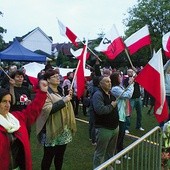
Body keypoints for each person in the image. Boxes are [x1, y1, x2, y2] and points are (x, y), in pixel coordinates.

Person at [0, 79, 48, 170]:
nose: (8, 105)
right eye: (4, 101)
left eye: (9, 102)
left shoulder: (16, 117)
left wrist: (42, 93)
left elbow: (32, 112)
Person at [36, 69, 77, 170]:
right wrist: (64, 101)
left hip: (63, 128)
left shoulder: (60, 89)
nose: (58, 77)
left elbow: (66, 106)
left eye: (58, 75)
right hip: (51, 130)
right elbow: (47, 110)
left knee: (60, 156)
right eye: (54, 76)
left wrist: (68, 97)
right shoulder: (44, 93)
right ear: (48, 80)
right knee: (48, 156)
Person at [92, 75, 119, 169]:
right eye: (107, 81)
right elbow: (100, 110)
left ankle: (109, 166)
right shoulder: (98, 95)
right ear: (100, 84)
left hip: (114, 127)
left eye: (110, 81)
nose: (110, 83)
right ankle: (98, 167)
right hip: (104, 128)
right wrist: (111, 106)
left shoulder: (111, 94)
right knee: (100, 152)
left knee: (111, 151)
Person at [110, 72, 134, 163]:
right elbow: (127, 95)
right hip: (118, 115)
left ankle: (120, 153)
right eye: (119, 76)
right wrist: (131, 85)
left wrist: (130, 84)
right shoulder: (115, 89)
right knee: (117, 137)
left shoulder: (120, 87)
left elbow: (126, 93)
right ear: (115, 79)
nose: (121, 77)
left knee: (121, 136)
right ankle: (114, 156)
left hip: (122, 114)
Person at [123, 68, 144, 133]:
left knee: (139, 113)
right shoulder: (126, 80)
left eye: (131, 72)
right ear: (127, 73)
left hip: (138, 98)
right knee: (128, 114)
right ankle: (126, 127)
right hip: (131, 99)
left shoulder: (136, 78)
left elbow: (141, 75)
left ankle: (139, 126)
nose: (130, 73)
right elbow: (126, 88)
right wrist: (131, 82)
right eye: (129, 72)